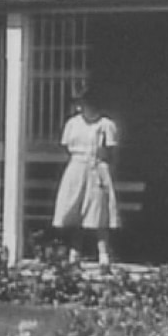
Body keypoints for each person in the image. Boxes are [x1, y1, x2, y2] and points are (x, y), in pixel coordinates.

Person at [52, 87, 119, 268]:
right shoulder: (72, 124)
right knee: (76, 211)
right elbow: (66, 146)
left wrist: (101, 167)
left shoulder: (106, 125)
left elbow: (111, 151)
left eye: (90, 105)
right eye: (83, 104)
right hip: (77, 168)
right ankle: (74, 253)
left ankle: (103, 254)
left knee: (98, 212)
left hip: (97, 168)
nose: (86, 108)